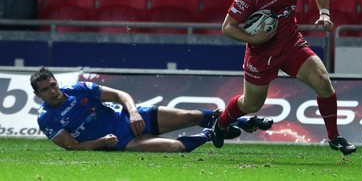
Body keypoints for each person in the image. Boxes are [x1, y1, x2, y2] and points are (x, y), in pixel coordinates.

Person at [210, 0, 356, 155]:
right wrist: (258, 39)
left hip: (291, 44)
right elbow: (227, 27)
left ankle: (334, 137)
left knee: (323, 82)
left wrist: (324, 14)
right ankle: (220, 124)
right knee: (251, 104)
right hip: (261, 53)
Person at [31, 67, 273, 152]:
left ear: (56, 81)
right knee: (174, 148)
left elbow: (119, 94)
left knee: (191, 116)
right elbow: (72, 146)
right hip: (120, 141)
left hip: (128, 118)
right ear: (37, 94)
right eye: (45, 90)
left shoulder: (78, 88)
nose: (52, 91)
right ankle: (212, 134)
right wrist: (100, 143)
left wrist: (134, 111)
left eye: (53, 85)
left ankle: (243, 122)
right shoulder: (46, 118)